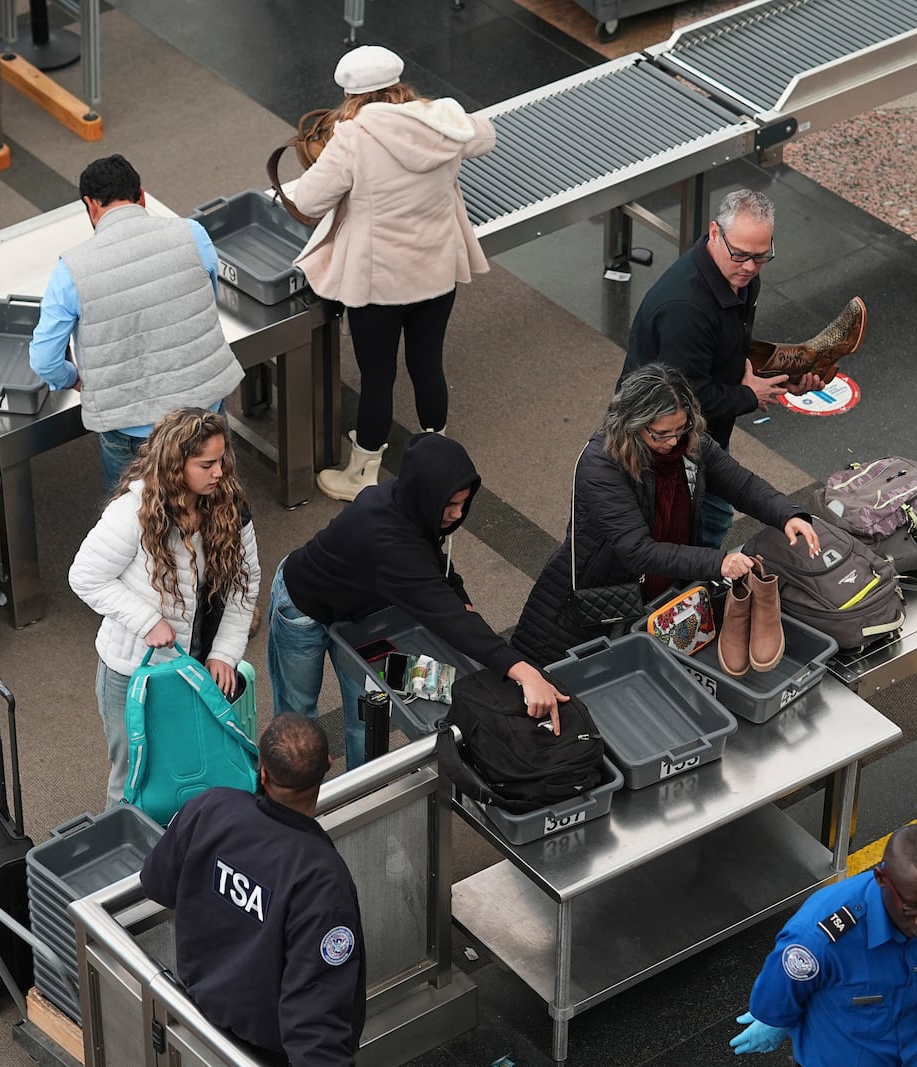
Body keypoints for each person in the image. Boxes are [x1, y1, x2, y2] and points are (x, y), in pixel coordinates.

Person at [269, 432, 567, 769]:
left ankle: (359, 796)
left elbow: (432, 560)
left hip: (359, 616)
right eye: (449, 505)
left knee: (365, 716)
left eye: (462, 503)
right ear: (424, 496)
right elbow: (448, 616)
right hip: (302, 607)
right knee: (297, 718)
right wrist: (525, 672)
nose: (456, 514)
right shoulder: (389, 543)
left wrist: (460, 598)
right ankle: (293, 797)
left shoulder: (408, 501)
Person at [291, 45, 496, 502]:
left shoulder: (353, 136)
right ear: (398, 84)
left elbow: (307, 201)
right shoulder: (439, 120)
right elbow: (485, 136)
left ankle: (363, 471)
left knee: (378, 378)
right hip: (436, 271)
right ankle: (436, 460)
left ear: (351, 94)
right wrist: (448, 114)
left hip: (378, 281)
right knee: (427, 364)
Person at [510, 364, 819, 667]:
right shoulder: (600, 464)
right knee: (565, 678)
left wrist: (787, 514)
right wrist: (718, 562)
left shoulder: (689, 442)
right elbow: (637, 551)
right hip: (600, 600)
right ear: (632, 424)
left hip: (664, 590)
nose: (673, 441)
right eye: (660, 434)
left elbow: (742, 485)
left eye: (680, 428)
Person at [141, 714, 365, 1066]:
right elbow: (316, 1018)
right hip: (264, 1053)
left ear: (262, 770)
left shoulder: (210, 808)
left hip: (195, 1021)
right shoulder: (321, 879)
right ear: (328, 765)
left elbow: (157, 883)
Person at [68, 408, 260, 810]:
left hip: (191, 666)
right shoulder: (131, 514)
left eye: (222, 460)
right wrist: (147, 621)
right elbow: (84, 576)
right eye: (206, 464)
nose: (219, 472)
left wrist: (223, 653)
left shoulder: (228, 506)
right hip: (131, 670)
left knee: (192, 765)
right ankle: (126, 866)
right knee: (131, 778)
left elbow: (246, 583)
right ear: (176, 465)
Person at [620, 188, 823, 550]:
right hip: (662, 444)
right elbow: (686, 399)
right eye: (740, 255)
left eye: (761, 257)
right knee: (695, 529)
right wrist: (748, 395)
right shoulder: (686, 308)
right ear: (715, 232)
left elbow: (729, 347)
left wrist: (780, 377)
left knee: (711, 516)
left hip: (699, 436)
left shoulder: (739, 279)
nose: (748, 267)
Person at [30, 154, 244, 494]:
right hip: (203, 413)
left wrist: (74, 379)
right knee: (216, 509)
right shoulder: (191, 233)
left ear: (90, 205)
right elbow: (208, 294)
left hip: (131, 431)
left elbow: (44, 359)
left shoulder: (71, 269)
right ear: (141, 196)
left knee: (139, 529)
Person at [732, 823, 917, 1067]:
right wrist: (775, 1018)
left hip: (915, 1053)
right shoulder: (817, 940)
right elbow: (780, 990)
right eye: (912, 909)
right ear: (880, 878)